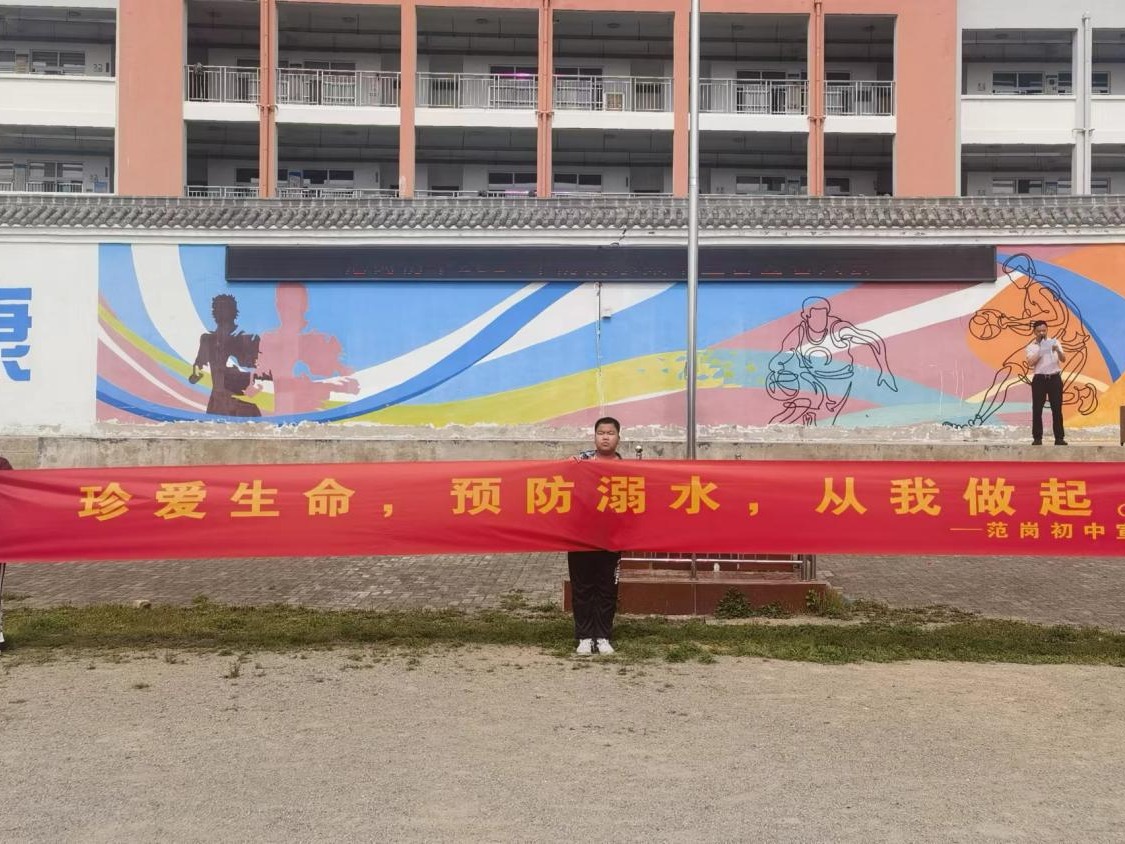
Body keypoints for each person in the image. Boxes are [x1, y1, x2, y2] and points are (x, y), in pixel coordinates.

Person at [568, 417, 622, 656]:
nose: (605, 437)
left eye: (610, 433)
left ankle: (602, 636)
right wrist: (568, 466)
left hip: (612, 538)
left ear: (618, 438)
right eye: (601, 432)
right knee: (582, 588)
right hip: (581, 537)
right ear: (594, 436)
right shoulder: (580, 463)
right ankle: (584, 636)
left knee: (607, 589)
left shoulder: (628, 468)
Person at [1026, 319, 1067, 446]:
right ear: (1034, 332)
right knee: (1037, 409)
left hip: (1054, 378)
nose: (1042, 333)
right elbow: (1030, 363)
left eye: (1044, 330)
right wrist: (1041, 350)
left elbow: (1063, 359)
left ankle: (1059, 438)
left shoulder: (1055, 342)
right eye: (1039, 331)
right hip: (1039, 380)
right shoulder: (1031, 346)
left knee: (1057, 408)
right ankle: (1037, 438)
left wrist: (1057, 350)